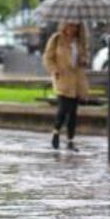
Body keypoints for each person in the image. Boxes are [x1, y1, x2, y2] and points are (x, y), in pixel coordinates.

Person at [42, 22, 89, 151]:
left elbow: (85, 55)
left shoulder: (79, 41)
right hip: (62, 77)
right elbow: (48, 58)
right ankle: (55, 132)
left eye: (76, 26)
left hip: (76, 79)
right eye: (70, 26)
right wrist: (54, 70)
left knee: (73, 111)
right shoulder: (56, 39)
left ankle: (70, 140)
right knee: (63, 108)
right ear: (65, 26)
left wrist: (84, 60)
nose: (72, 29)